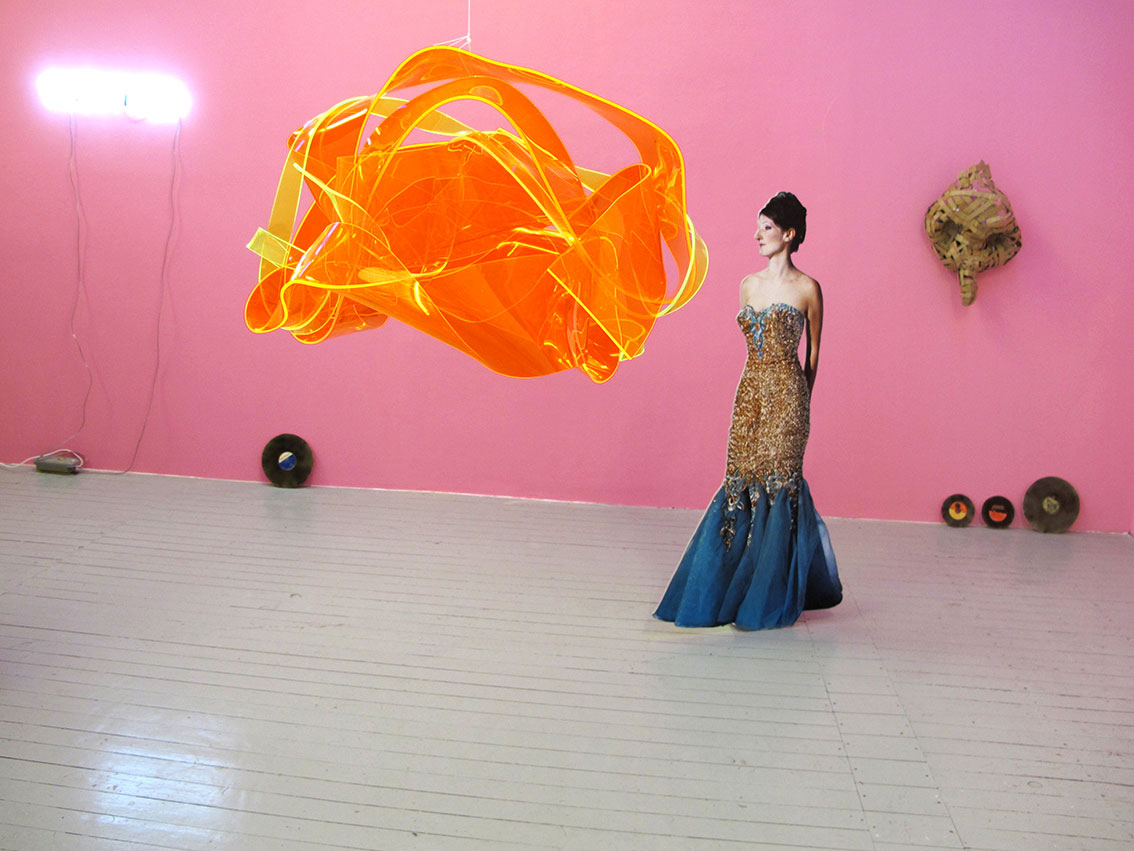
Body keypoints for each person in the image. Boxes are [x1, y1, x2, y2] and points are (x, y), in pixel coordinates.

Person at [655, 192, 842, 629]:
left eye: (767, 228)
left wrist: (800, 404)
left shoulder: (808, 289)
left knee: (780, 484)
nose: (757, 235)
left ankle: (770, 593)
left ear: (789, 234)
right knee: (741, 481)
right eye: (758, 227)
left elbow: (813, 356)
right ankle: (731, 590)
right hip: (749, 397)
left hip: (789, 398)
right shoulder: (748, 286)